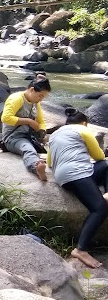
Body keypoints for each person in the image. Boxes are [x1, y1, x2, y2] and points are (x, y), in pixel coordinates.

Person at [47, 108, 108, 269]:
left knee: (104, 167)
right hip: (77, 173)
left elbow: (49, 162)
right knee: (100, 209)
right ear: (84, 123)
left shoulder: (54, 135)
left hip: (62, 176)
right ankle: (81, 249)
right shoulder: (82, 130)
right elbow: (99, 156)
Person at [1, 78, 51, 181]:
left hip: (30, 135)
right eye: (40, 96)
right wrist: (29, 121)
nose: (41, 99)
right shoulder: (16, 98)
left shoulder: (35, 102)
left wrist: (42, 131)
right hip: (13, 137)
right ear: (32, 90)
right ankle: (36, 167)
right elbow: (5, 118)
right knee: (27, 149)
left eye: (43, 97)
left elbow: (41, 121)